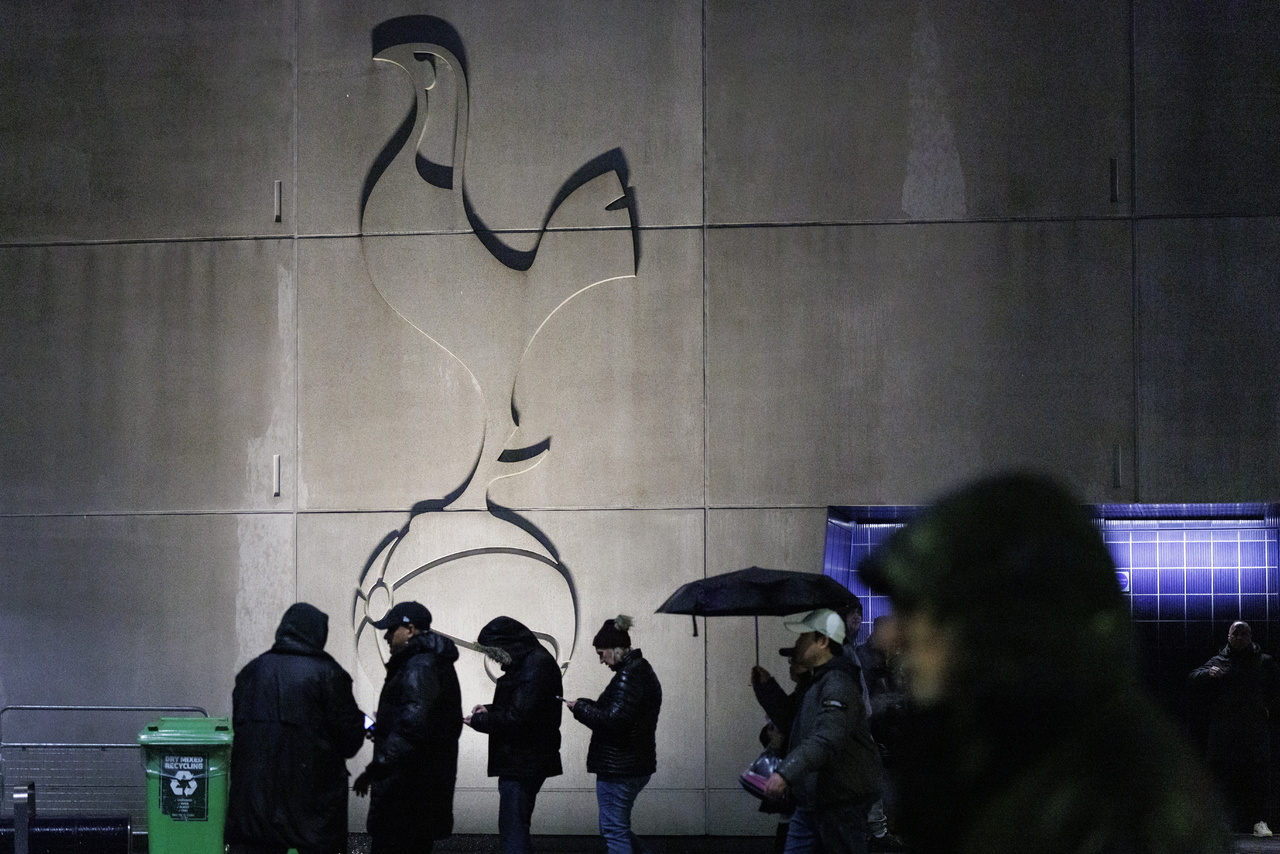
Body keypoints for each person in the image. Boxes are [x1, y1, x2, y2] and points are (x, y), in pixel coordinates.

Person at [858, 471, 1229, 854]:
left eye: (915, 611)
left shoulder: (1104, 795)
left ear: (994, 623)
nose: (892, 637)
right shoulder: (1016, 752)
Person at [225, 602, 366, 854]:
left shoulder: (250, 672)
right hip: (312, 804)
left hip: (255, 802)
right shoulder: (330, 675)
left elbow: (241, 729)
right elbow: (350, 742)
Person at [761, 608, 882, 854]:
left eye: (803, 637)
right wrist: (766, 688)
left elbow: (827, 737)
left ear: (823, 641)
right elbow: (792, 719)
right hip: (815, 798)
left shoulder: (838, 682)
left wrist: (785, 774)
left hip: (840, 799)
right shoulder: (818, 681)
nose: (797, 643)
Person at [353, 601, 463, 854]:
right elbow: (422, 721)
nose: (386, 636)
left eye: (392, 629)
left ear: (410, 629)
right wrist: (385, 727)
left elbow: (414, 729)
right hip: (418, 793)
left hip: (406, 794)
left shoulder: (420, 666)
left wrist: (375, 768)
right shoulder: (429, 662)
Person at [464, 616, 564, 854]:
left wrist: (479, 721)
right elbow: (524, 707)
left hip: (523, 760)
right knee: (515, 825)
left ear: (505, 645)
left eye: (494, 652)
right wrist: (490, 709)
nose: (495, 659)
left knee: (513, 828)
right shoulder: (532, 661)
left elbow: (518, 718)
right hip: (525, 759)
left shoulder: (534, 665)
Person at [566, 615, 662, 854]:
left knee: (614, 830)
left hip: (620, 767)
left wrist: (581, 709)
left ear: (614, 649)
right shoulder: (640, 670)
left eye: (601, 653)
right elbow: (618, 713)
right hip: (633, 763)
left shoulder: (628, 676)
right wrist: (585, 704)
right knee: (615, 827)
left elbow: (614, 722)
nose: (601, 660)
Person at [1190, 620, 1280, 836]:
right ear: (1228, 637)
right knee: (1223, 776)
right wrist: (1207, 674)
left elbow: (1277, 687)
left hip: (1254, 729)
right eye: (1235, 633)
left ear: (1250, 637)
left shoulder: (1264, 661)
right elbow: (1193, 677)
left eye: (1243, 633)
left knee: (1258, 776)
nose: (1239, 637)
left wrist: (1268, 710)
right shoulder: (1218, 661)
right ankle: (1221, 823)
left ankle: (1260, 821)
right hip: (1225, 731)